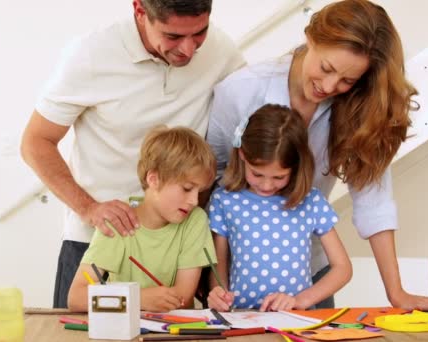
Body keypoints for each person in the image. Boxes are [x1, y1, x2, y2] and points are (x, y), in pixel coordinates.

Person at [205, 0, 428, 311]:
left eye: (347, 81)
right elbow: (211, 178)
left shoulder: (358, 108)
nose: (330, 86)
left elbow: (374, 199)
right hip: (233, 286)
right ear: (310, 38)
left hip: (309, 279)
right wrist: (213, 281)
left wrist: (396, 292)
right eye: (326, 68)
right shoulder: (239, 91)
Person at [20, 0, 245, 308]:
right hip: (97, 238)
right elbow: (36, 141)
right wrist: (88, 208)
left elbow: (251, 108)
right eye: (173, 36)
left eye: (200, 33)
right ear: (140, 11)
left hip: (173, 243)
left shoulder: (220, 50)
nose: (189, 50)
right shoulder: (91, 54)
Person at [206, 104, 352, 312]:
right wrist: (218, 294)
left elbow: (342, 269)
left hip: (295, 320)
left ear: (296, 167)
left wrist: (301, 300)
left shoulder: (310, 202)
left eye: (279, 177)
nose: (266, 185)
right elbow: (219, 266)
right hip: (242, 320)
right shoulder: (224, 200)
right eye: (257, 174)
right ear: (241, 155)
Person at [67, 126, 218, 312]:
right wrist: (138, 298)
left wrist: (127, 298)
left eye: (199, 191)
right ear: (153, 179)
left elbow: (182, 297)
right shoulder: (118, 220)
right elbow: (76, 298)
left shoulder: (195, 220)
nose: (194, 201)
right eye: (187, 188)